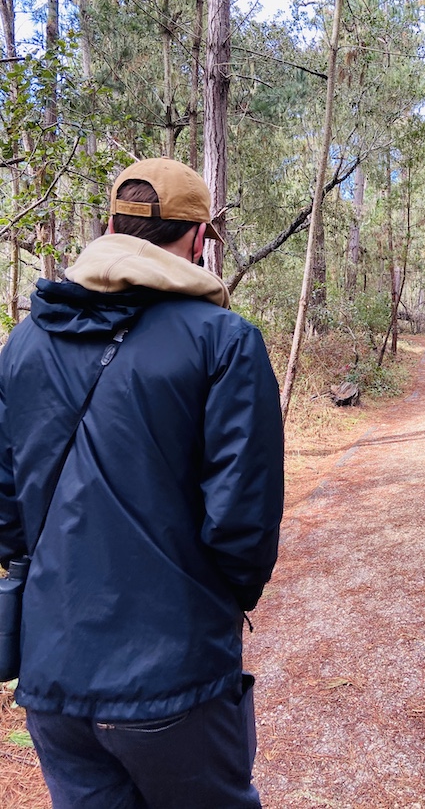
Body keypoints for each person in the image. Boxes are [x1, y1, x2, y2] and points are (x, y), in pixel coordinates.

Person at [0, 157, 284, 808]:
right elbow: (242, 518)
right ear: (198, 238)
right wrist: (216, 602)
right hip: (174, 676)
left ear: (110, 226)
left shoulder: (22, 345)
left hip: (52, 679)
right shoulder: (223, 342)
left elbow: (7, 508)